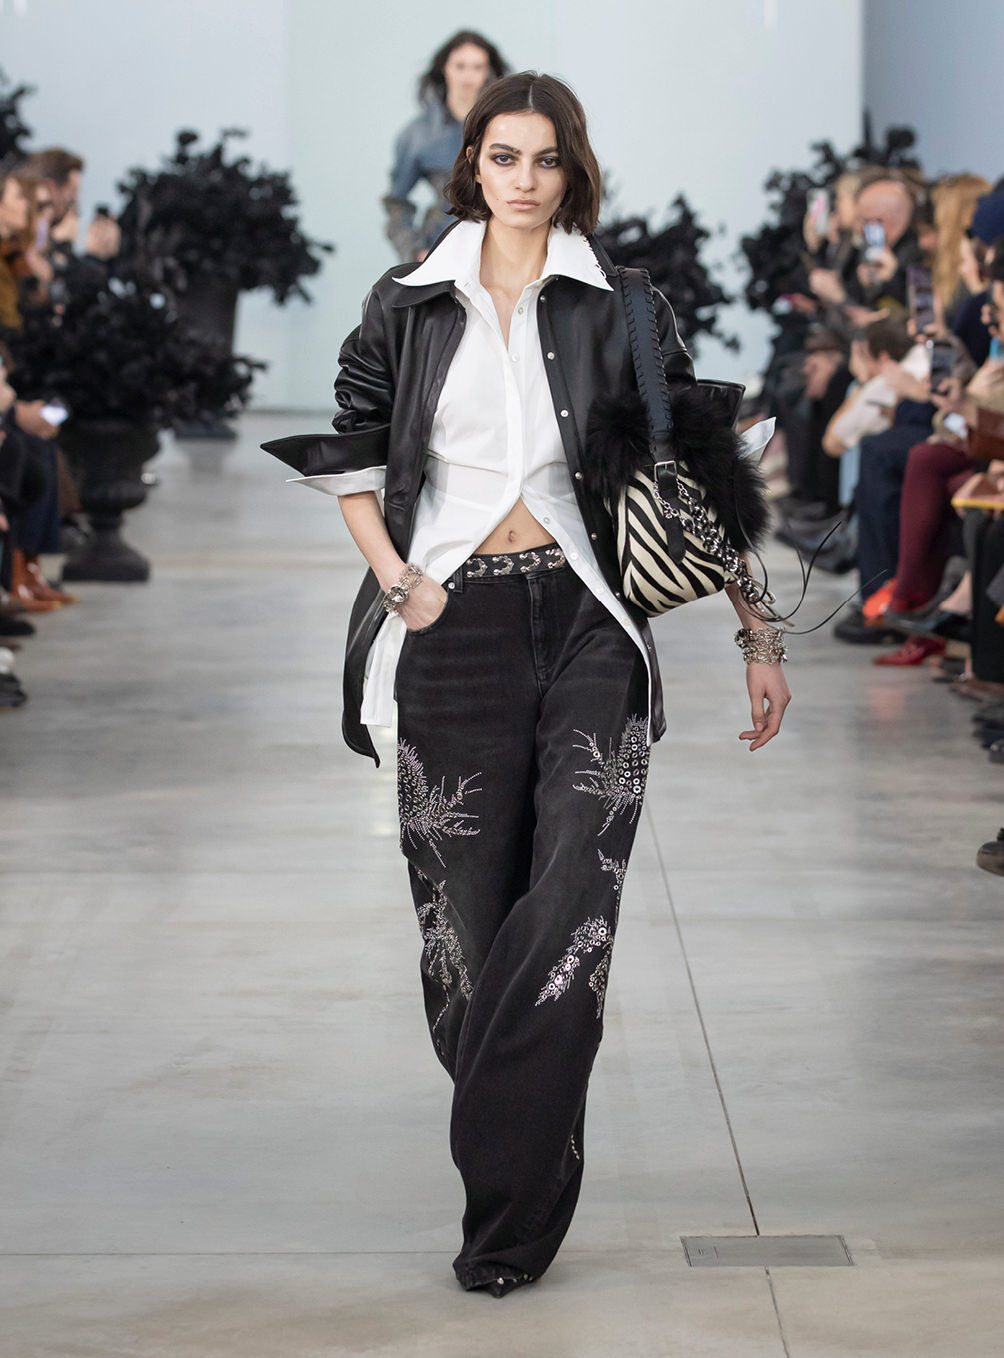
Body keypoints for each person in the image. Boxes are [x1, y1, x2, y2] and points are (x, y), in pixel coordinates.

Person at [264, 71, 791, 1297]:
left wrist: (756, 633)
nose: (523, 179)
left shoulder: (626, 306)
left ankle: (505, 1215)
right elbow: (351, 455)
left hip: (591, 619)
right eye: (503, 157)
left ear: (572, 171)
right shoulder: (407, 301)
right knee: (461, 928)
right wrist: (400, 580)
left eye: (546, 159)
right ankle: (519, 1139)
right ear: (472, 165)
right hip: (451, 621)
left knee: (570, 902)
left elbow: (696, 475)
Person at [382, 30, 507, 262]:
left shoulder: (507, 127)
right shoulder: (418, 134)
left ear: (488, 72)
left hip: (502, 249)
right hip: (440, 248)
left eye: (477, 67)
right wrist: (413, 252)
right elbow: (396, 201)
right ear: (444, 69)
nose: (468, 76)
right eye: (460, 66)